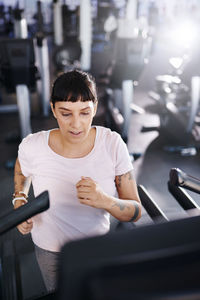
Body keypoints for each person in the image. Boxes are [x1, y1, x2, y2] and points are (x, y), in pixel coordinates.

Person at [12, 69, 141, 293]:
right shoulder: (32, 145)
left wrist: (105, 201)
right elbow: (22, 168)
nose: (76, 124)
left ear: (96, 107)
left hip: (96, 248)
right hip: (49, 250)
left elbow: (136, 212)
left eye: (84, 112)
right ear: (53, 109)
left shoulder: (112, 144)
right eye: (66, 113)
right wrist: (19, 200)